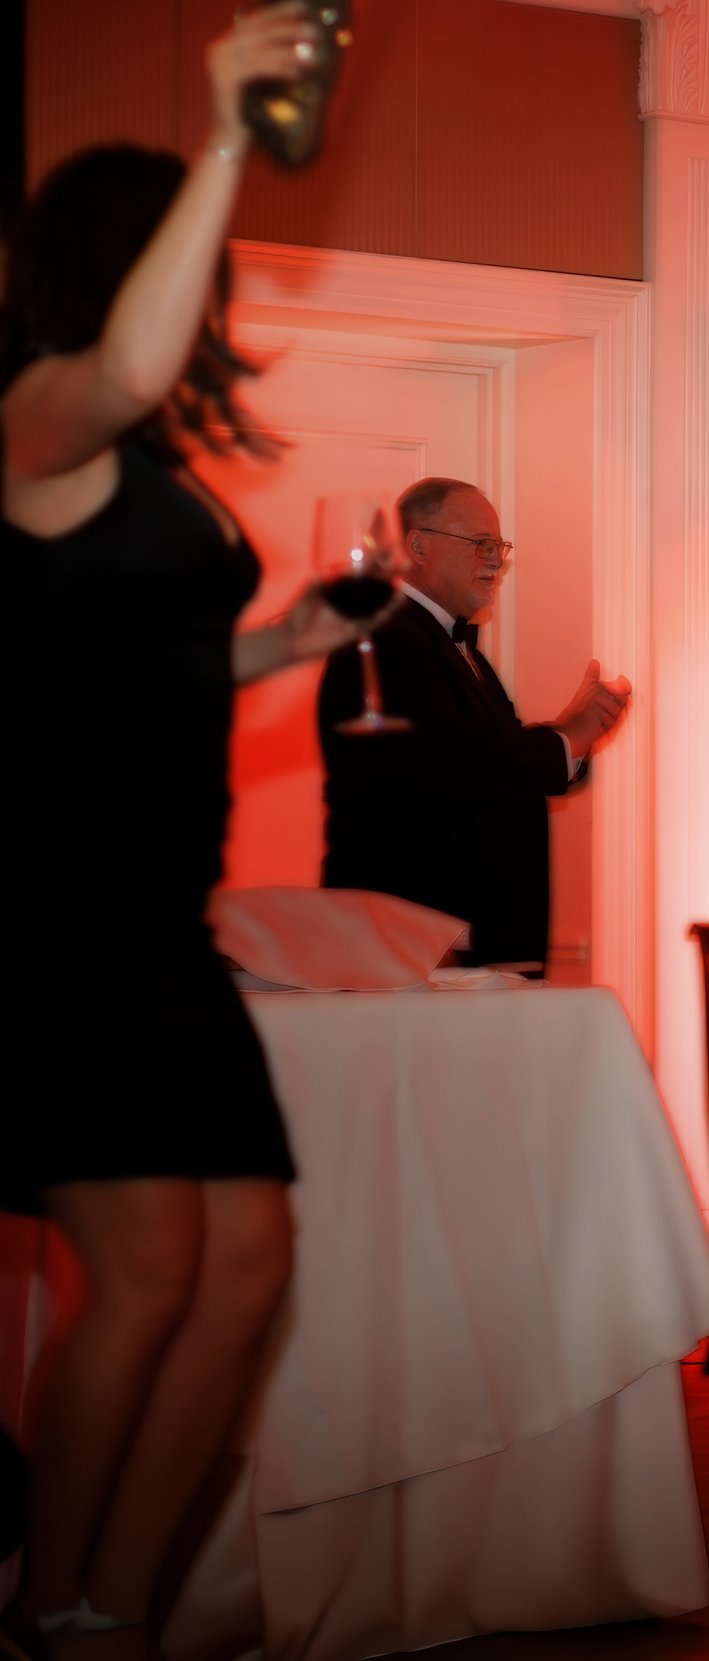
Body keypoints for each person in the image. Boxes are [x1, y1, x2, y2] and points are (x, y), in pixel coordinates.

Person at [0, 10, 383, 1656]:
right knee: (147, 1269)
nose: (210, 291)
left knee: (244, 1269)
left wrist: (277, 648)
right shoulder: (34, 415)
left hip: (162, 920)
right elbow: (140, 364)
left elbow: (120, 656)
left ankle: (112, 1610)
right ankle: (47, 1602)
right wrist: (230, 130)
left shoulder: (136, 469)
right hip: (52, 919)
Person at [316, 476, 630, 970]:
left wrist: (565, 733)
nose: (496, 559)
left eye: (500, 545)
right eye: (480, 543)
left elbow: (480, 752)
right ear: (417, 545)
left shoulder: (441, 643)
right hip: (415, 947)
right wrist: (562, 742)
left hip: (457, 945)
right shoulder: (386, 640)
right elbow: (453, 766)